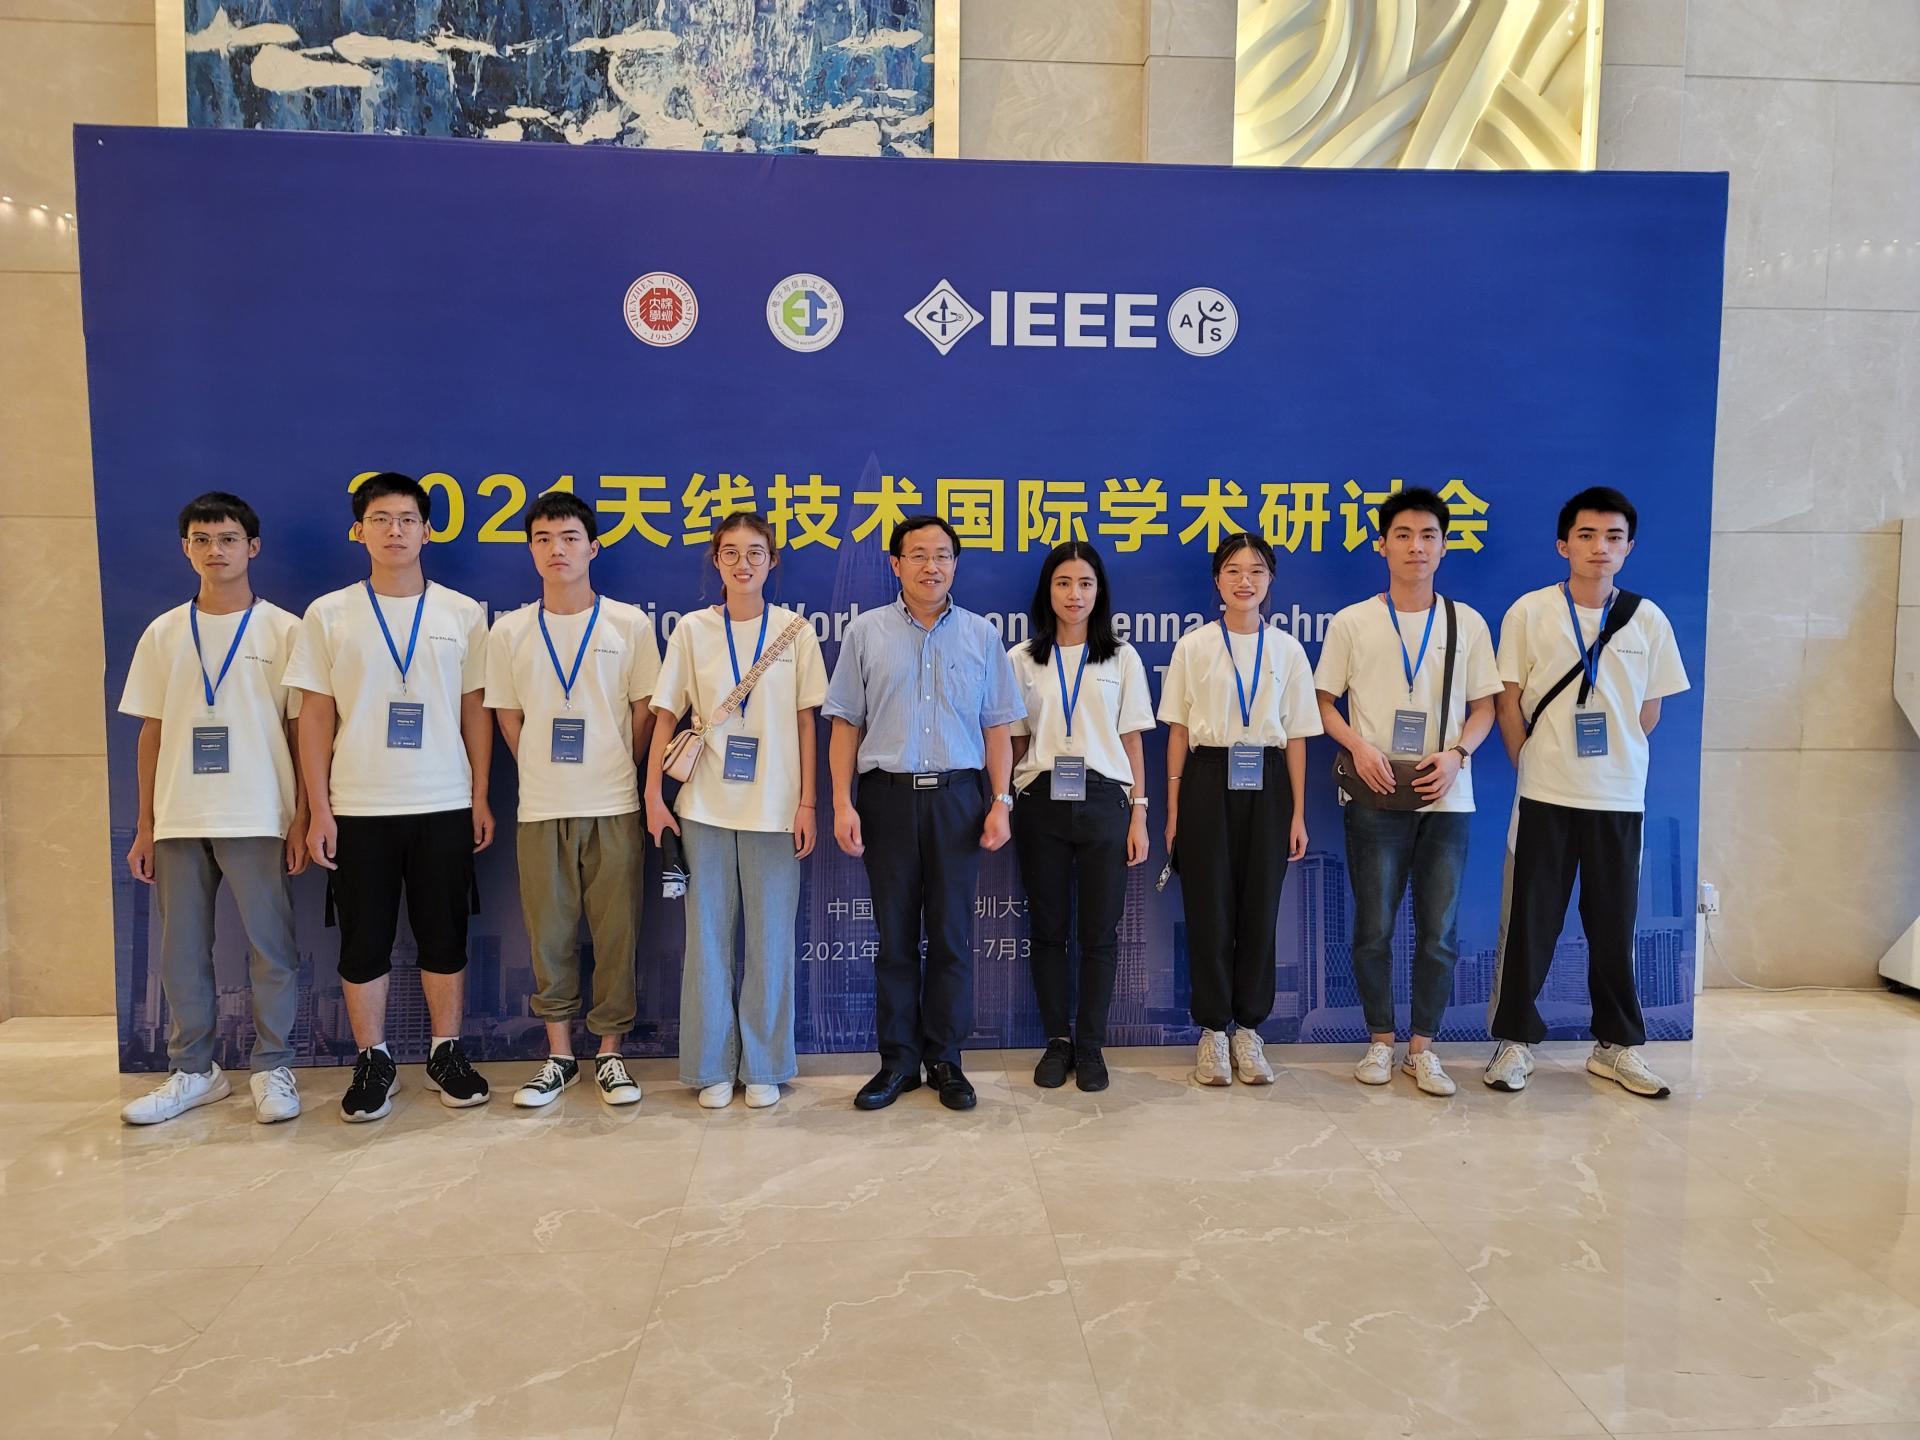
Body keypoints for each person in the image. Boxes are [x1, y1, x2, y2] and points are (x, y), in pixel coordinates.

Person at [286, 472, 494, 1122]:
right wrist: (318, 809)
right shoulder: (328, 614)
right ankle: (373, 1059)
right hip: (357, 807)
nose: (395, 531)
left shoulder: (463, 613)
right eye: (380, 519)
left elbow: (476, 711)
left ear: (428, 530)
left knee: (445, 935)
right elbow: (314, 715)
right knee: (363, 941)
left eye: (407, 519)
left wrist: (479, 796)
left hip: (444, 802)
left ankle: (445, 1052)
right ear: (359, 531)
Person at [1487, 486, 1690, 1099]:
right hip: (1545, 794)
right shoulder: (1529, 612)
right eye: (1586, 535)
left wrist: (1611, 761)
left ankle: (1616, 1046)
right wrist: (1531, 762)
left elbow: (1648, 712)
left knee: (1613, 925)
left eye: (1613, 537)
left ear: (1629, 548)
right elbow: (1507, 702)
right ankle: (1515, 1042)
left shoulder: (1648, 619)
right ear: (1563, 545)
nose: (1600, 547)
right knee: (1531, 922)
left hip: (1618, 798)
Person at [118, 492, 309, 1125]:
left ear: (253, 547)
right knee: (181, 953)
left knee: (271, 949)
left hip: (258, 814)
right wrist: (145, 824)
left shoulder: (284, 630)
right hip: (179, 816)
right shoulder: (164, 632)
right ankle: (194, 1071)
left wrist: (302, 816)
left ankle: (273, 1066)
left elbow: (301, 731)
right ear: (186, 549)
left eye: (227, 539)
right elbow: (151, 733)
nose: (215, 550)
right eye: (202, 539)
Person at [824, 514, 1024, 1111]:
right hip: (885, 796)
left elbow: (998, 728)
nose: (931, 566)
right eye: (917, 555)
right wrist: (841, 802)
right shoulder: (866, 633)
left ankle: (946, 1060)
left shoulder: (982, 635)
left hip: (959, 800)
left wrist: (1001, 801)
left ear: (955, 564)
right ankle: (897, 1063)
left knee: (952, 937)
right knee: (894, 940)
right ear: (896, 564)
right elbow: (845, 724)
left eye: (942, 555)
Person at [1314, 488, 1501, 1096]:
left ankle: (1423, 1049)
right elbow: (1323, 703)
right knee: (1374, 927)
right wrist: (1359, 748)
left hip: (1446, 795)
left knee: (1439, 932)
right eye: (1403, 535)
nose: (1415, 547)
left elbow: (1485, 707)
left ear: (1443, 547)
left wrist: (1458, 755)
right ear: (1381, 545)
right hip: (1374, 791)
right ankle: (1379, 1041)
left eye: (1427, 536)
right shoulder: (1352, 621)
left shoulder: (1467, 622)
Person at [644, 512, 827, 1111]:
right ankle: (711, 1068)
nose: (743, 563)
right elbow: (665, 715)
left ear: (773, 562)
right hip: (703, 808)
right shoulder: (693, 630)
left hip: (775, 810)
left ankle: (766, 1065)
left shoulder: (795, 631)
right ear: (716, 561)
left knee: (771, 943)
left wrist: (807, 802)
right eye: (730, 553)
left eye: (755, 553)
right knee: (707, 943)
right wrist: (653, 796)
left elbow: (807, 722)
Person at [485, 491, 658, 1109]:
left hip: (614, 803)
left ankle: (610, 1054)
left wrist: (613, 759)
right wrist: (540, 762)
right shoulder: (509, 631)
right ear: (531, 550)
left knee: (616, 936)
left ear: (593, 547)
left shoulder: (629, 625)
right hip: (541, 807)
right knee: (549, 935)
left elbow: (644, 711)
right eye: (543, 539)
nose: (556, 549)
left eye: (569, 538)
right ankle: (559, 1056)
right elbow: (508, 717)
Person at [1159, 532, 1319, 1088]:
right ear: (1217, 580)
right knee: (1208, 909)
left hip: (1268, 781)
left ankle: (1249, 1030)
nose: (1244, 581)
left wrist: (1297, 814)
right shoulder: (1194, 646)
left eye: (1255, 571)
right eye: (1232, 570)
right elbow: (1178, 733)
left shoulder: (1288, 650)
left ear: (1270, 580)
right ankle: (1211, 1031)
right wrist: (1174, 812)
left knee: (1260, 909)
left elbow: (1297, 737)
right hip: (1207, 776)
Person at [1006, 541, 1153, 1093]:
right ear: (1048, 591)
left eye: (1085, 584)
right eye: (1064, 583)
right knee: (1047, 930)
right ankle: (1056, 1041)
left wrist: (1139, 813)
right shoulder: (1022, 658)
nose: (1075, 594)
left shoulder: (1121, 657)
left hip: (1105, 802)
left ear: (1099, 592)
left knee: (1099, 932)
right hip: (1040, 801)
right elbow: (1015, 742)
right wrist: (1006, 799)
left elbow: (1132, 742)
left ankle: (1090, 1044)